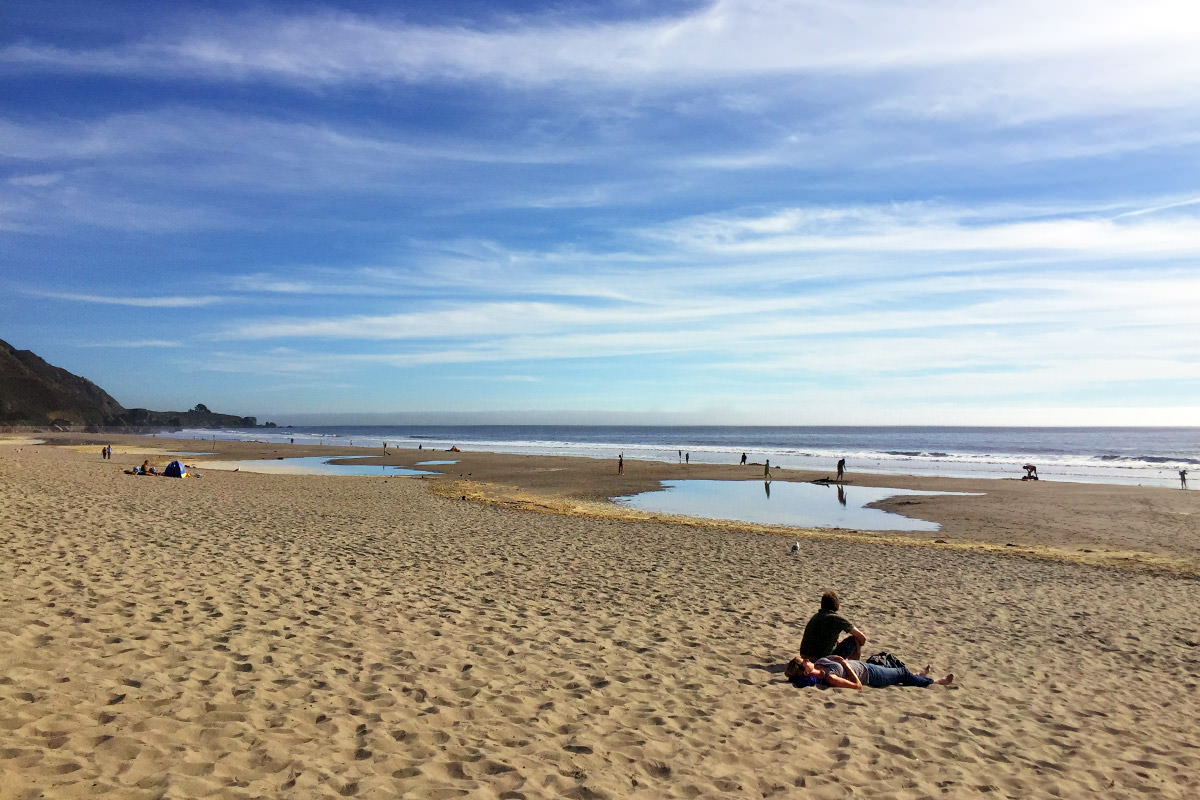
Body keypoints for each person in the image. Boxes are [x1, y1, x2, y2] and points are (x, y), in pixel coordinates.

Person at [786, 655, 952, 689]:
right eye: (804, 662)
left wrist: (839, 658)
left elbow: (834, 658)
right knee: (901, 673)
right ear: (806, 672)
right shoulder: (830, 678)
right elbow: (857, 685)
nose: (807, 660)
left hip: (866, 666)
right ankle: (935, 682)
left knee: (894, 669)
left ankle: (918, 675)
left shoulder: (820, 662)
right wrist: (846, 664)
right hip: (871, 676)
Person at [799, 591, 866, 660]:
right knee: (855, 640)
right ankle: (855, 665)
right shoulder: (836, 618)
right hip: (821, 658)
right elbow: (862, 638)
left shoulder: (815, 616)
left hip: (804, 656)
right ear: (836, 605)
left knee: (836, 641)